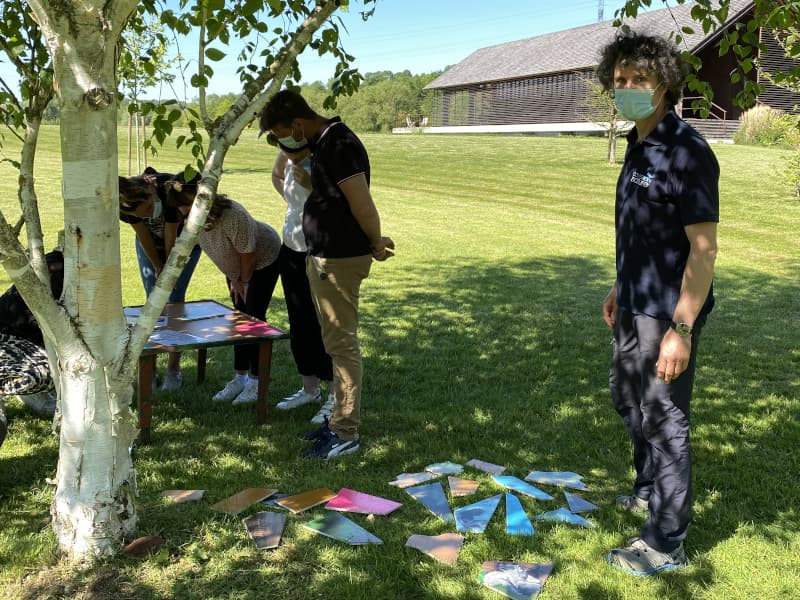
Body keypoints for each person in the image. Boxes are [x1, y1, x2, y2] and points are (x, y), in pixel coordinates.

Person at [597, 32, 719, 576]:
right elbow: (642, 231)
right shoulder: (637, 141)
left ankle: (667, 542)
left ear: (663, 83)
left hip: (668, 314)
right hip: (634, 301)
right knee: (627, 397)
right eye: (619, 80)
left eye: (637, 80)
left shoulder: (686, 152)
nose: (626, 89)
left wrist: (682, 329)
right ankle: (648, 490)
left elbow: (703, 246)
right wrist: (621, 285)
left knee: (664, 416)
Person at [260, 90, 395, 460]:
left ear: (298, 123)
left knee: (341, 346)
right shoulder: (322, 144)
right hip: (322, 255)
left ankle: (345, 432)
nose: (284, 142)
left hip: (337, 260)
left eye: (283, 133)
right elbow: (334, 200)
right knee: (334, 344)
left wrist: (375, 243)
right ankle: (336, 418)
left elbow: (361, 202)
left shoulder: (338, 144)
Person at [167, 173, 281, 406]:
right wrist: (234, 278)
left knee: (253, 320)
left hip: (262, 261)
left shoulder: (233, 215)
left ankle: (256, 382)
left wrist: (244, 281)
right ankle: (240, 377)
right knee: (238, 320)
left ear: (199, 200)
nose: (182, 213)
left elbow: (248, 254)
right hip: (237, 271)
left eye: (184, 207)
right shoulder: (197, 220)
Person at [119, 167, 203, 390]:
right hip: (150, 249)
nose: (146, 216)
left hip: (182, 246)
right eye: (141, 216)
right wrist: (157, 265)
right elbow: (143, 234)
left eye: (147, 210)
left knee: (174, 300)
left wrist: (169, 271)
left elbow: (171, 234)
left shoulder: (169, 189)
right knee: (153, 302)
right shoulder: (124, 205)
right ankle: (151, 366)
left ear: (151, 193)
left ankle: (174, 369)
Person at [269, 137, 335, 421]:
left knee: (324, 323)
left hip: (318, 249)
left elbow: (336, 202)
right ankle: (309, 389)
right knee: (298, 320)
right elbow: (276, 176)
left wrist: (310, 185)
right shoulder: (288, 157)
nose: (285, 153)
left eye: (289, 148)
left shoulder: (323, 161)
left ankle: (336, 394)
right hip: (291, 247)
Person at [0, 250, 64, 448]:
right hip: (14, 343)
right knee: (39, 378)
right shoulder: (51, 275)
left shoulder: (54, 270)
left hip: (26, 346)